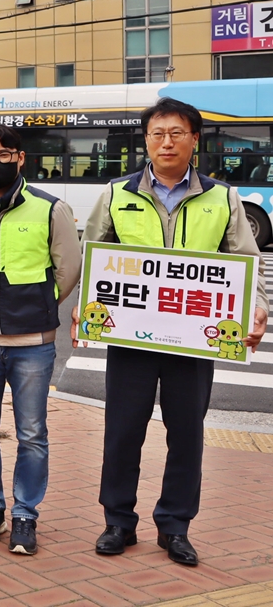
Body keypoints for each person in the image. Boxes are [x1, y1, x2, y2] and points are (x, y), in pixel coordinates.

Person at [80, 97, 266, 566]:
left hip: (194, 337)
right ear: (146, 140)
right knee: (123, 431)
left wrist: (257, 309)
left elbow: (245, 260)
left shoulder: (221, 197)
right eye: (157, 133)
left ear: (194, 140)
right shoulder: (117, 192)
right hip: (131, 338)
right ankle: (118, 521)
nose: (166, 142)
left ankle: (176, 525)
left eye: (176, 133)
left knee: (186, 433)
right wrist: (87, 310)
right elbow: (93, 254)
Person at [0, 125, 80, 555]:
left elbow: (68, 271)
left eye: (4, 153)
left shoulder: (50, 209)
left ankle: (26, 513)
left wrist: (38, 304)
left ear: (21, 157)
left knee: (31, 432)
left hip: (34, 342)